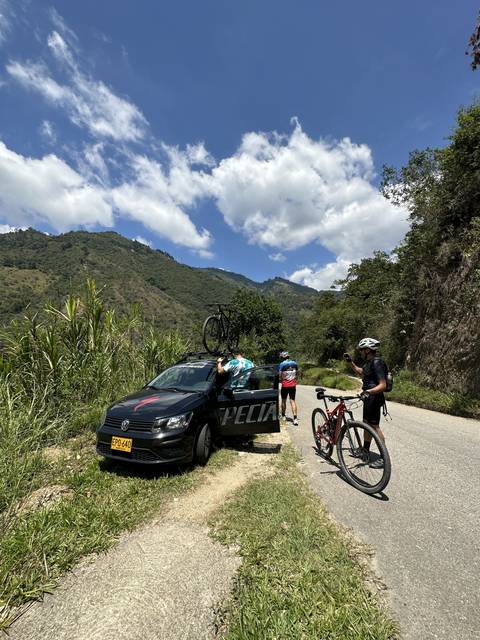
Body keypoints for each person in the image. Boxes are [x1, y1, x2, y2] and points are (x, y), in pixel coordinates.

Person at [343, 337, 387, 469]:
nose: (361, 352)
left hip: (374, 397)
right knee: (366, 424)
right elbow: (361, 373)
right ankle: (365, 450)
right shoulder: (369, 363)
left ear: (368, 350)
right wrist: (351, 362)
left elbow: (383, 385)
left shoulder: (377, 362)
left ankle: (384, 458)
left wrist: (369, 392)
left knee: (374, 426)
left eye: (362, 350)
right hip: (369, 398)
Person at [278, 350, 299, 425]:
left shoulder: (282, 364)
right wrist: (294, 378)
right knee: (292, 401)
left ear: (282, 357)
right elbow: (297, 373)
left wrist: (281, 379)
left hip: (285, 385)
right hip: (293, 385)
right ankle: (295, 418)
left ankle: (283, 416)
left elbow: (280, 375)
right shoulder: (294, 363)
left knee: (283, 400)